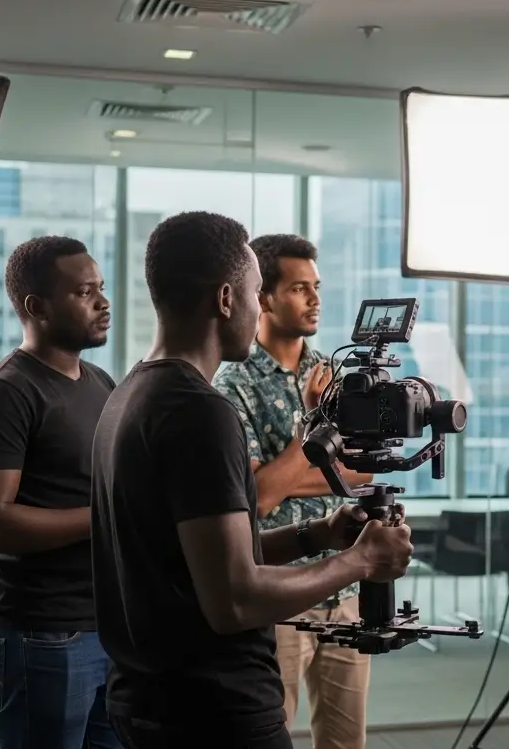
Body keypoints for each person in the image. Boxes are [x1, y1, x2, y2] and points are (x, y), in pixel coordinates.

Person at [90, 211, 413, 749]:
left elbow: (201, 558)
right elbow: (234, 599)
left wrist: (316, 535)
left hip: (148, 698)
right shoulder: (201, 411)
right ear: (225, 299)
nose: (257, 304)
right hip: (214, 709)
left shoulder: (127, 396)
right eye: (255, 290)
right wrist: (362, 561)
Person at [0, 235, 119, 749]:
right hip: (43, 632)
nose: (102, 302)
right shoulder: (3, 394)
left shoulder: (100, 382)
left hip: (107, 625)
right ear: (37, 306)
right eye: (85, 291)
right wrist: (107, 517)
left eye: (102, 288)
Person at [212, 233, 376, 749]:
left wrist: (287, 474)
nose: (314, 299)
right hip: (278, 593)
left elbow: (364, 470)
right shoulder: (231, 383)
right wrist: (313, 438)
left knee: (347, 742)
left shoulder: (334, 373)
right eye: (299, 288)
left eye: (317, 287)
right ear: (263, 297)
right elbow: (257, 496)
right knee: (267, 734)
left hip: (346, 591)